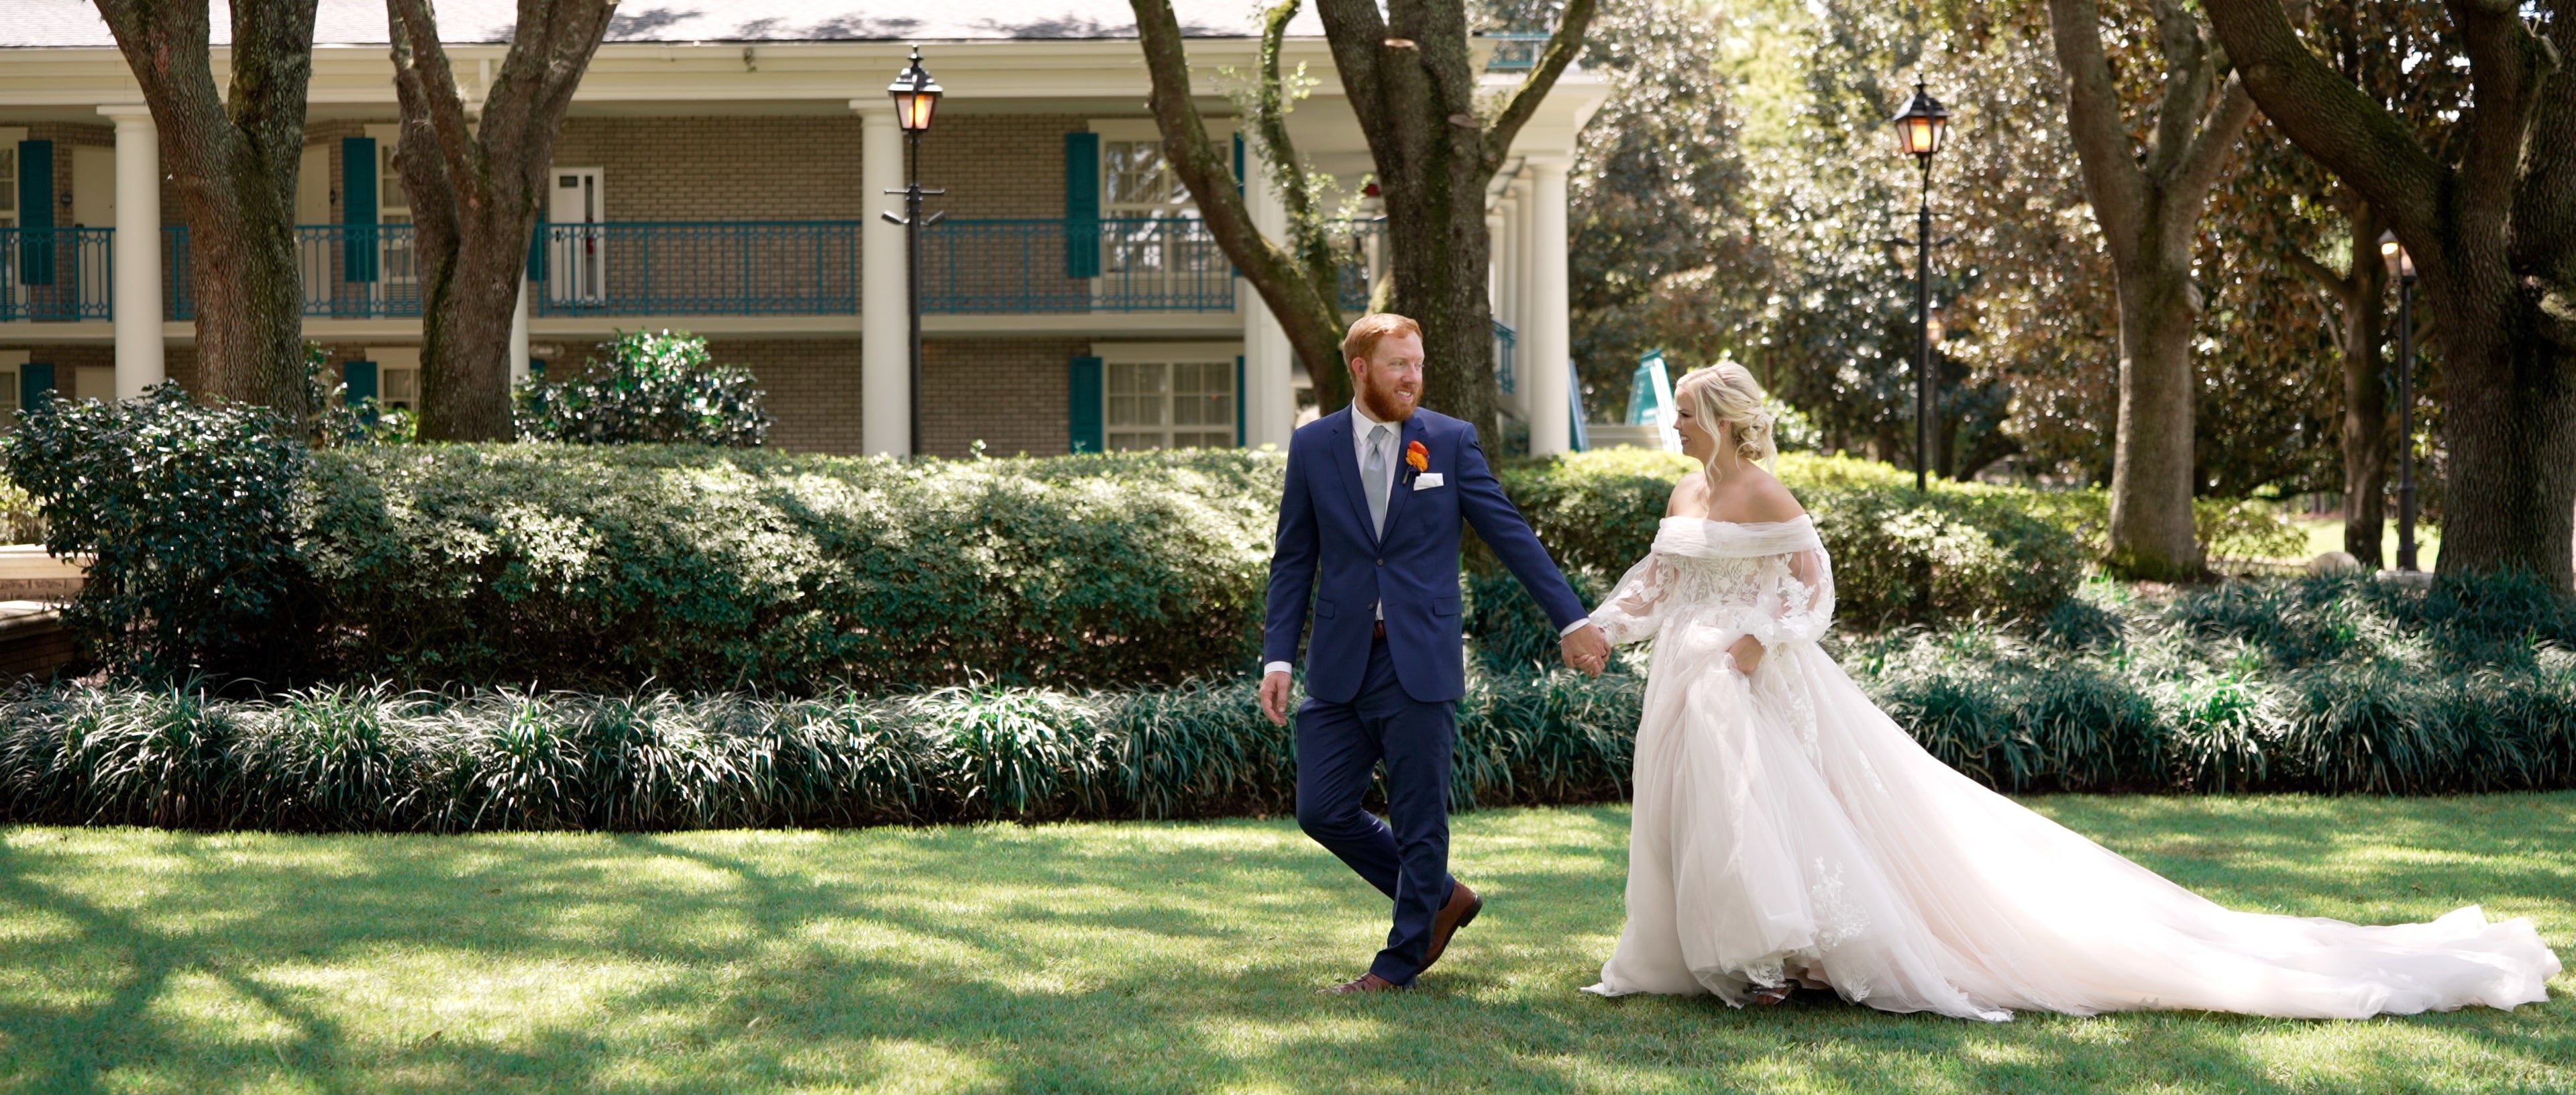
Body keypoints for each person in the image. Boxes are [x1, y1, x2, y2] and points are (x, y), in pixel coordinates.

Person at [1581, 362, 2560, 1020]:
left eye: (1684, 414)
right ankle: (1732, 956)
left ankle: (1787, 958)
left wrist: (1761, 638)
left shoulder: (1763, 492)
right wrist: (1603, 626)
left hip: (1754, 680)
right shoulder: (1686, 496)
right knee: (1705, 814)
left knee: (1784, 815)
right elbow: (1658, 582)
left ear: (1720, 419)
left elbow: (1814, 590)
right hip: (1686, 678)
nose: (1672, 423)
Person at [1260, 313, 1613, 994]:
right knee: (1322, 809)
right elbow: (1293, 558)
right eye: (1399, 365)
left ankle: (1397, 964)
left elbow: (1508, 532)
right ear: (1361, 369)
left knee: (1421, 819)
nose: (1413, 377)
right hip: (1339, 659)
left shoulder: (1449, 442)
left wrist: (1572, 618)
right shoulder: (1313, 446)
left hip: (1419, 658)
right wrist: (1279, 657)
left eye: (1418, 364)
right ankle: (1443, 898)